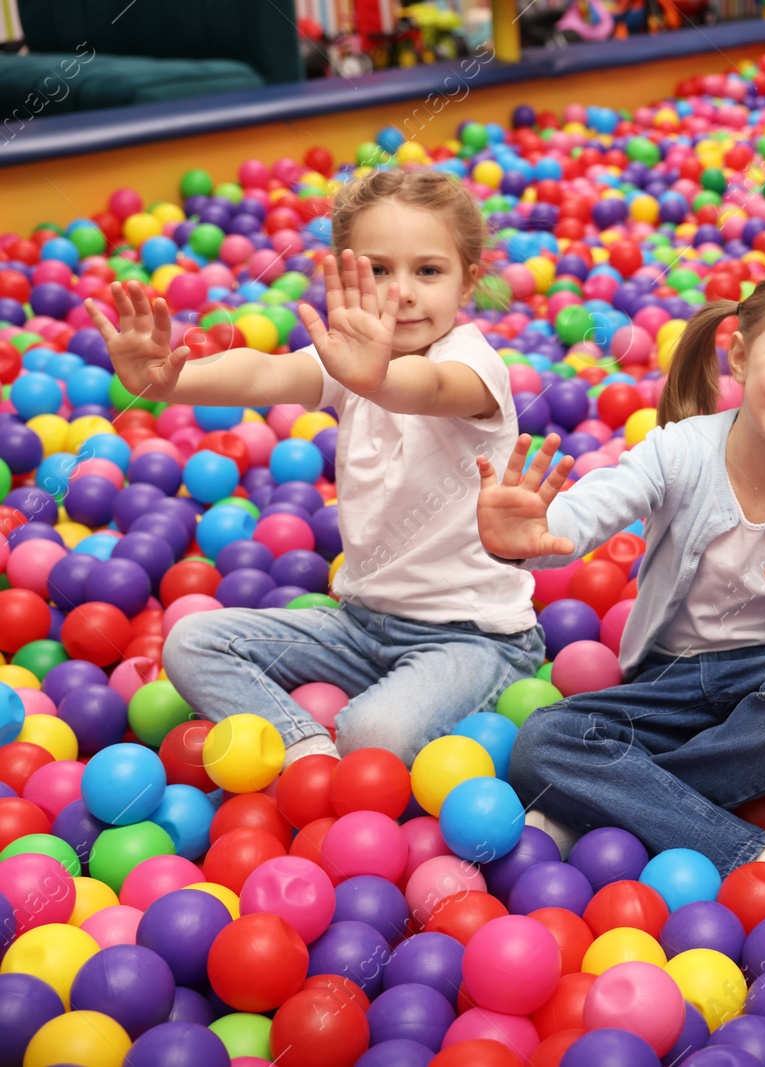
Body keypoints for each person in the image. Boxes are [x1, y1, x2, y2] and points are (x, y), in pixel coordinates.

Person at [476, 265, 765, 906]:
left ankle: (601, 808)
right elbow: (597, 504)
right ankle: (763, 856)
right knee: (542, 741)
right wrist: (534, 532)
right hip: (669, 685)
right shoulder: (679, 451)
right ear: (741, 355)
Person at [87, 170, 543, 767]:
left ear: (467, 283)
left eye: (427, 271)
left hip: (472, 638)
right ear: (345, 276)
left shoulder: (470, 366)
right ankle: (304, 753)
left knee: (375, 737)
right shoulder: (350, 358)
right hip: (360, 627)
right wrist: (168, 382)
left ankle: (355, 748)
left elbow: (427, 388)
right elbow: (264, 373)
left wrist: (372, 374)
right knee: (192, 641)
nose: (401, 292)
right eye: (378, 270)